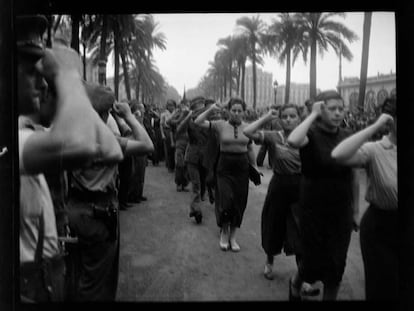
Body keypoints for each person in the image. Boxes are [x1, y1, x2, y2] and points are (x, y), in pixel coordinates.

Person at [17, 15, 123, 302]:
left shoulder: (32, 132)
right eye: (31, 71)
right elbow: (84, 143)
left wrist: (74, 87)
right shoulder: (16, 138)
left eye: (45, 75)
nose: (42, 83)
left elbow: (111, 147)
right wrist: (67, 76)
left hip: (43, 277)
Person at [66, 84, 154, 301]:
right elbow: (146, 145)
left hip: (74, 208)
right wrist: (129, 115)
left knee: (77, 273)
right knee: (97, 281)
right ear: (106, 113)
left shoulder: (69, 137)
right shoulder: (107, 143)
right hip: (100, 213)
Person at [286, 90, 359, 300]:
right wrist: (311, 116)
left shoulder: (347, 135)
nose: (338, 113)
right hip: (313, 209)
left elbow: (354, 174)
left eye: (341, 108)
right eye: (332, 108)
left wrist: (355, 211)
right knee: (311, 262)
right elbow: (293, 140)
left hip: (341, 209)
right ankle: (296, 282)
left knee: (337, 264)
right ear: (321, 109)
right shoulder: (310, 134)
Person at [331, 97, 397, 301]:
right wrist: (376, 126)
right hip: (382, 228)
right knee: (381, 288)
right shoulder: (376, 150)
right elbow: (339, 155)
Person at [243, 104, 310, 284]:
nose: (288, 119)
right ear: (280, 119)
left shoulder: (307, 138)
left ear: (299, 118)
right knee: (274, 224)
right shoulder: (274, 137)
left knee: (300, 228)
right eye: (285, 116)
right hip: (279, 185)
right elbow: (247, 132)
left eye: (293, 116)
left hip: (301, 186)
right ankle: (269, 262)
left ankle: (302, 274)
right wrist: (266, 117)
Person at [195, 97, 258, 252]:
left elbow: (249, 149)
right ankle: (224, 231)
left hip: (242, 167)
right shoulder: (220, 125)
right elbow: (198, 122)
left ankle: (233, 236)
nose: (236, 113)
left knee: (239, 202)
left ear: (244, 112)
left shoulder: (248, 128)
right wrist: (211, 109)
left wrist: (255, 167)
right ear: (228, 111)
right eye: (233, 110)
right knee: (225, 200)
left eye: (239, 110)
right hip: (224, 167)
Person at [180, 96, 209, 224]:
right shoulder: (190, 121)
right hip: (192, 157)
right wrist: (187, 116)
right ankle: (196, 210)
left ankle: (197, 204)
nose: (201, 108)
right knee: (196, 185)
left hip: (205, 157)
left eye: (203, 106)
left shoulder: (209, 121)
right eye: (199, 106)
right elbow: (179, 129)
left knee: (203, 186)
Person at [167, 99, 190, 192]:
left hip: (189, 142)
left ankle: (184, 184)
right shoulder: (177, 117)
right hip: (180, 142)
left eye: (187, 105)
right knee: (179, 164)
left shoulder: (191, 115)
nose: (185, 107)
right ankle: (178, 184)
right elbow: (168, 122)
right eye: (184, 105)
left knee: (186, 164)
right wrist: (177, 113)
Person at [160, 99, 176, 172]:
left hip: (175, 130)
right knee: (169, 149)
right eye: (169, 105)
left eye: (172, 105)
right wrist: (162, 134)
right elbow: (161, 125)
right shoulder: (163, 114)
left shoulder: (177, 113)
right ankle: (170, 166)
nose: (171, 107)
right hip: (167, 130)